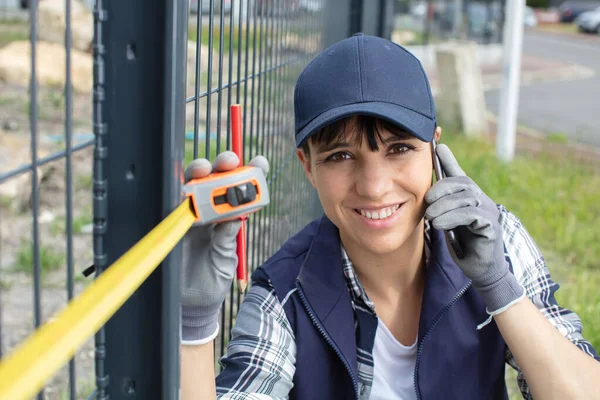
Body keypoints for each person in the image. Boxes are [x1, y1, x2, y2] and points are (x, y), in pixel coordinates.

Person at [179, 33, 600, 399]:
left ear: (434, 148)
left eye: (399, 148)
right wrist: (194, 326)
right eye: (341, 156)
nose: (375, 186)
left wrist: (499, 286)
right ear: (307, 166)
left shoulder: (494, 239)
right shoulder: (284, 294)